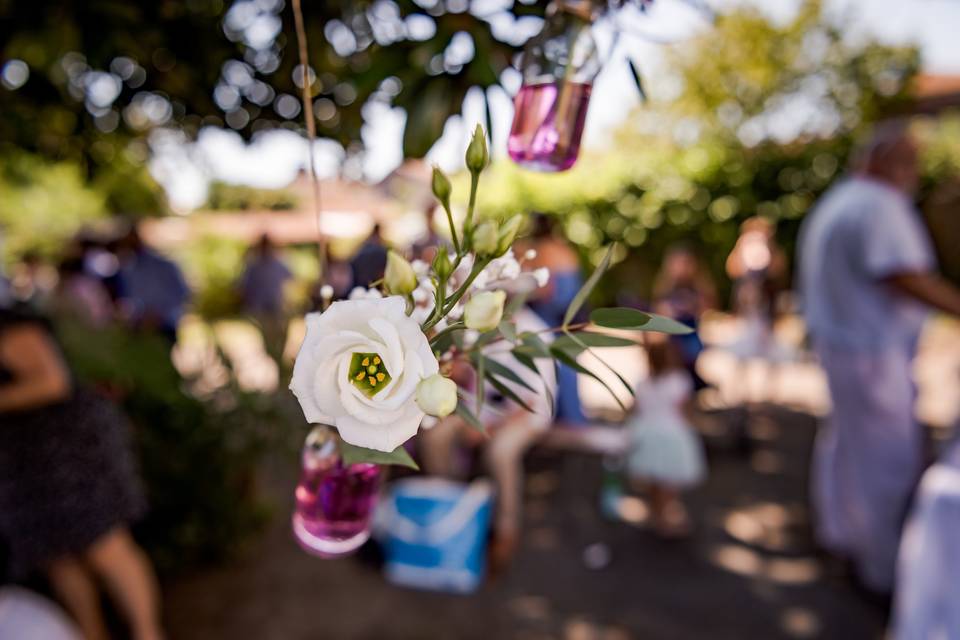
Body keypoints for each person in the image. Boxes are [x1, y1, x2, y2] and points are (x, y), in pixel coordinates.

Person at [798, 121, 960, 592]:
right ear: (885, 160)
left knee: (847, 450)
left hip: (846, 349)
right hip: (871, 355)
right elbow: (902, 274)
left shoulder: (841, 200)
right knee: (887, 464)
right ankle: (886, 574)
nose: (914, 171)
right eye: (909, 160)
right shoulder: (877, 206)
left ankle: (841, 539)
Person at [0, 304, 163, 640]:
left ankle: (148, 633)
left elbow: (52, 381)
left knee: (104, 546)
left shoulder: (9, 329)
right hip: (18, 462)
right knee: (56, 556)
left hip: (66, 449)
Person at [420, 307, 558, 569]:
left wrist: (486, 429)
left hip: (526, 415)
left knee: (500, 452)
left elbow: (531, 399)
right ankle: (452, 506)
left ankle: (506, 530)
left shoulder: (533, 333)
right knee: (435, 437)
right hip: (487, 411)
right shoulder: (480, 324)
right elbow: (473, 379)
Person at [625, 335, 705, 537]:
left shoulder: (643, 382)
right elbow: (686, 411)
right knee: (669, 484)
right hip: (671, 435)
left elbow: (633, 409)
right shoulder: (679, 381)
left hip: (646, 434)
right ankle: (665, 520)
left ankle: (655, 514)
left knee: (653, 481)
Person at [527, 214, 587, 425]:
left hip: (553, 316)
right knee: (569, 365)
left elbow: (547, 290)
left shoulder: (543, 250)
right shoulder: (566, 249)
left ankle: (565, 418)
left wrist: (524, 293)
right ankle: (574, 417)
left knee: (557, 365)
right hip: (570, 316)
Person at [652, 244, 716, 391]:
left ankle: (691, 383)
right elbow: (659, 309)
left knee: (690, 356)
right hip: (673, 334)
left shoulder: (697, 286)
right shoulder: (666, 287)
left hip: (690, 331)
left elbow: (707, 306)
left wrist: (693, 306)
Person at [116, 227, 190, 343]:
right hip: (141, 326)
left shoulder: (163, 265)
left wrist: (162, 315)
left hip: (166, 325)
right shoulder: (129, 268)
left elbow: (182, 293)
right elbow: (130, 297)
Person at [239, 234, 293, 364]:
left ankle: (278, 361)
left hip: (276, 305)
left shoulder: (277, 262)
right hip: (261, 308)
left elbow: (290, 277)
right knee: (268, 339)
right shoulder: (253, 265)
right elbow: (243, 286)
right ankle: (275, 360)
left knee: (279, 337)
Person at [349, 223, 388, 290]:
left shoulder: (363, 246)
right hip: (373, 282)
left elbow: (353, 261)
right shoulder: (381, 249)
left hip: (360, 281)